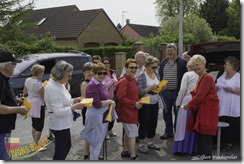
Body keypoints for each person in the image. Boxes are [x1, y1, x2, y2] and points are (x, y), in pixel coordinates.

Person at [44, 60, 84, 160]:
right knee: (61, 150)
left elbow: (64, 101)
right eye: (68, 76)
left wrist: (74, 100)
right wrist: (75, 106)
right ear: (60, 74)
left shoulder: (59, 84)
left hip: (63, 123)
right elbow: (58, 111)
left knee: (66, 146)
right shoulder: (53, 88)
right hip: (58, 124)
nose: (70, 78)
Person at [183, 54, 219, 160]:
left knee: (205, 137)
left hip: (207, 111)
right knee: (200, 135)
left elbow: (200, 95)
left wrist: (188, 105)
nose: (195, 67)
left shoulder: (206, 77)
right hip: (201, 110)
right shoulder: (201, 77)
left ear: (204, 64)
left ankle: (206, 159)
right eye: (193, 65)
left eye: (197, 65)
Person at [80, 63, 116, 160]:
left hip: (102, 116)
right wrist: (110, 101)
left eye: (104, 73)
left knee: (98, 142)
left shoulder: (100, 83)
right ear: (94, 73)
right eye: (99, 73)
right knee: (96, 143)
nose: (102, 75)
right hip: (96, 117)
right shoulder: (92, 85)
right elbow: (97, 104)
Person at [0, 51, 28, 160]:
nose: (15, 67)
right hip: (2, 130)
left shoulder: (5, 78)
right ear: (7, 66)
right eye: (14, 64)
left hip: (7, 128)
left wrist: (15, 99)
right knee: (5, 158)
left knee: (10, 155)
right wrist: (18, 109)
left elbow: (4, 98)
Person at [158, 43, 187, 140]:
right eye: (168, 51)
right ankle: (168, 132)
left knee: (177, 113)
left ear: (176, 51)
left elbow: (185, 78)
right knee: (166, 113)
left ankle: (177, 132)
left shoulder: (182, 62)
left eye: (171, 50)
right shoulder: (163, 62)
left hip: (177, 92)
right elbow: (160, 76)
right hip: (165, 92)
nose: (169, 52)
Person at [116, 58, 143, 160]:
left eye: (135, 68)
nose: (134, 69)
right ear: (126, 68)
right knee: (132, 133)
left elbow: (133, 95)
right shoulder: (124, 81)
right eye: (131, 67)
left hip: (132, 110)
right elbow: (120, 98)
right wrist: (134, 103)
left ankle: (125, 151)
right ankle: (133, 156)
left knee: (128, 132)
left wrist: (139, 101)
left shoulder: (132, 79)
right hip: (127, 111)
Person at [173, 60, 198, 155]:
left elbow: (182, 89)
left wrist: (177, 102)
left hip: (187, 99)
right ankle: (192, 147)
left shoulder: (187, 74)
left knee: (182, 124)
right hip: (196, 101)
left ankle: (181, 148)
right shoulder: (200, 75)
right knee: (192, 124)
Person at [137, 56, 161, 154]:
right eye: (153, 67)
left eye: (156, 67)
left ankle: (150, 142)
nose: (155, 69)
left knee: (153, 122)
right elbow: (140, 92)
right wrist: (149, 88)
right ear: (146, 66)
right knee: (144, 123)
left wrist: (161, 88)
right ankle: (141, 144)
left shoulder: (156, 74)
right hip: (145, 102)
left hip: (155, 102)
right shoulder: (142, 76)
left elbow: (158, 87)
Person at [216, 56, 240, 152]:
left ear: (233, 66)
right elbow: (218, 84)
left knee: (230, 122)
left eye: (227, 64)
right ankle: (220, 141)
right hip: (222, 103)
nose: (224, 66)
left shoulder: (239, 76)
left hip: (232, 104)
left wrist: (232, 90)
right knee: (221, 120)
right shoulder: (223, 74)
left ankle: (229, 143)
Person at [23, 64, 45, 143]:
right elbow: (43, 96)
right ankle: (36, 145)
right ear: (39, 72)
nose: (43, 74)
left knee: (34, 124)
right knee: (39, 126)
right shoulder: (39, 84)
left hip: (30, 103)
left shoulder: (27, 80)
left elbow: (25, 92)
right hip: (38, 104)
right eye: (42, 72)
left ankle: (34, 142)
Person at [79, 62, 93, 159]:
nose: (90, 73)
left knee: (92, 132)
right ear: (84, 72)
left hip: (93, 109)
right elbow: (85, 100)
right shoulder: (85, 84)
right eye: (88, 71)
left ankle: (89, 152)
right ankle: (86, 152)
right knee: (89, 132)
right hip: (88, 110)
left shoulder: (93, 83)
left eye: (92, 71)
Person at [102, 57, 118, 140]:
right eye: (105, 63)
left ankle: (110, 129)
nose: (106, 65)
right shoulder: (102, 74)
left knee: (112, 115)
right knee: (106, 115)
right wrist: (112, 80)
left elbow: (117, 82)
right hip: (106, 99)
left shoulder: (113, 72)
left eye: (108, 63)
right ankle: (105, 132)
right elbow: (105, 85)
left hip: (113, 97)